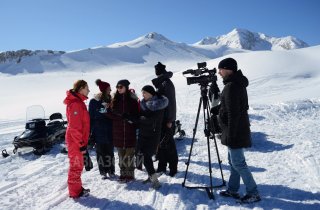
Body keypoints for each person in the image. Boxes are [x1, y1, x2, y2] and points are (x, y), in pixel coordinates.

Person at [217, 57, 261, 203]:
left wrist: (231, 134)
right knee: (233, 162)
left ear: (229, 69)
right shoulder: (236, 84)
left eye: (221, 69)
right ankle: (233, 189)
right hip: (237, 129)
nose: (219, 72)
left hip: (235, 131)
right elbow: (231, 108)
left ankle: (253, 192)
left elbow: (233, 113)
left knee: (238, 163)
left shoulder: (231, 86)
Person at [105, 79, 139, 182]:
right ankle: (123, 174)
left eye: (121, 87)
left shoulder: (133, 101)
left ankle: (129, 175)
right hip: (118, 131)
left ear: (126, 87)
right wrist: (105, 110)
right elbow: (110, 114)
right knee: (121, 156)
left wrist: (129, 118)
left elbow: (137, 116)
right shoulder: (114, 100)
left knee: (129, 156)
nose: (118, 89)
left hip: (130, 132)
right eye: (117, 87)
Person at [63, 79, 91, 198]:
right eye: (87, 88)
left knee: (78, 166)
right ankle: (75, 192)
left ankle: (77, 189)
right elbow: (74, 127)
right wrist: (81, 144)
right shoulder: (75, 104)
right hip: (75, 141)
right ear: (81, 89)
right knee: (76, 166)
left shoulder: (78, 102)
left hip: (77, 141)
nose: (89, 90)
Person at [138, 85, 168, 189]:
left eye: (145, 92)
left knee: (147, 155)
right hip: (143, 133)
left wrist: (138, 119)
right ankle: (150, 175)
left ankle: (155, 180)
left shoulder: (158, 104)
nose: (143, 95)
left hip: (153, 134)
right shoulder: (143, 103)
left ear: (151, 93)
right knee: (144, 156)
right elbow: (141, 117)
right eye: (142, 92)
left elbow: (151, 120)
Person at [152, 62, 178, 177]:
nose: (156, 71)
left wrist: (170, 120)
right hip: (162, 118)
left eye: (157, 69)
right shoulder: (162, 82)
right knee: (161, 143)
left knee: (169, 144)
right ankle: (162, 166)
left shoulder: (166, 83)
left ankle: (173, 168)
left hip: (167, 119)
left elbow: (171, 103)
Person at [89, 79, 115, 180]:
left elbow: (113, 114)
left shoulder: (112, 100)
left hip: (110, 130)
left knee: (110, 152)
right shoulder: (94, 101)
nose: (110, 90)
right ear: (104, 90)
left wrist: (108, 110)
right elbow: (92, 116)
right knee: (100, 152)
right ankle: (103, 171)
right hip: (98, 130)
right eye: (109, 89)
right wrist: (90, 132)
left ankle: (111, 170)